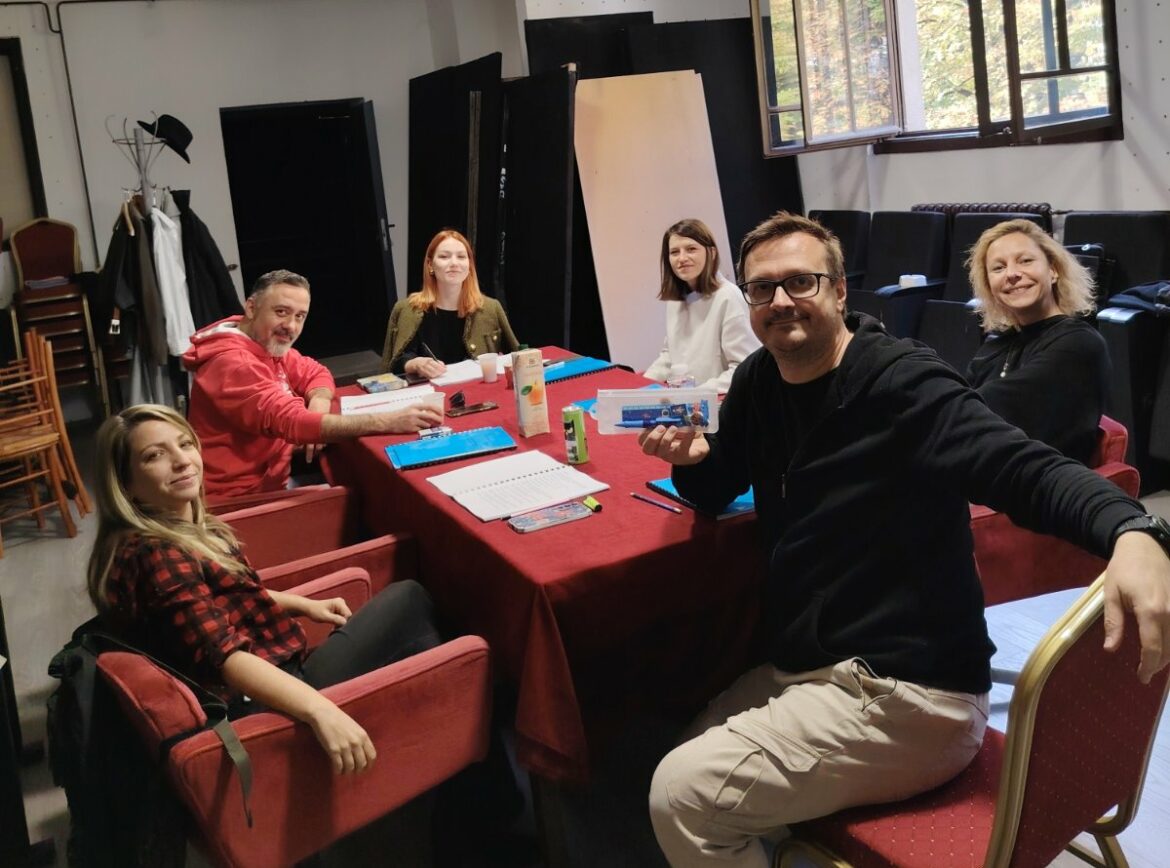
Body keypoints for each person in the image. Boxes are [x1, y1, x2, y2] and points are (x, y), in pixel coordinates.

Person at [638, 212, 1170, 868]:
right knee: (678, 746)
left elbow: (1020, 465)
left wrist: (1132, 527)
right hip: (811, 666)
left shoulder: (901, 382)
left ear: (839, 291)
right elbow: (718, 482)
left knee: (682, 796)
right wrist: (692, 461)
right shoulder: (759, 380)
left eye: (800, 281)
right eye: (762, 288)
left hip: (910, 693)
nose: (780, 301)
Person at [86, 403, 442, 774]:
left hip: (264, 672)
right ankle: (423, 738)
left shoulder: (171, 531)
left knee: (403, 612)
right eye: (154, 456)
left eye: (185, 444)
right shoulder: (160, 556)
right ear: (125, 485)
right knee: (409, 599)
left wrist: (301, 604)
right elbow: (224, 657)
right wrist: (319, 710)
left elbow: (213, 602)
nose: (181, 461)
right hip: (259, 704)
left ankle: (404, 725)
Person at [183, 269, 443, 497]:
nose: (291, 325)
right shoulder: (234, 363)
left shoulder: (261, 341)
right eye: (281, 312)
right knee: (369, 499)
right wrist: (390, 421)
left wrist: (318, 404)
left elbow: (315, 372)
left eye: (300, 316)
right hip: (240, 498)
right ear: (251, 308)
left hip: (274, 475)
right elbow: (293, 423)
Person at [965, 218, 1108, 463]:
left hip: (1033, 479)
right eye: (998, 268)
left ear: (1053, 270)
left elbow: (982, 410)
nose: (1012, 274)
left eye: (1025, 261)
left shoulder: (1080, 343)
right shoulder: (996, 345)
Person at [381, 229, 520, 378]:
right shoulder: (406, 309)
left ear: (469, 265)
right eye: (444, 256)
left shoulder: (491, 308)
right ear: (430, 265)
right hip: (426, 391)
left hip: (478, 389)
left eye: (461, 257)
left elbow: (519, 359)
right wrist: (413, 364)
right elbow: (392, 366)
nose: (454, 263)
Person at [643, 218, 760, 392]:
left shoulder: (729, 297)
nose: (682, 258)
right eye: (674, 252)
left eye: (691, 249)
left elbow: (744, 368)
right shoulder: (675, 301)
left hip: (718, 400)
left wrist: (698, 394)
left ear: (711, 253)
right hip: (688, 398)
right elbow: (669, 356)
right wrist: (639, 386)